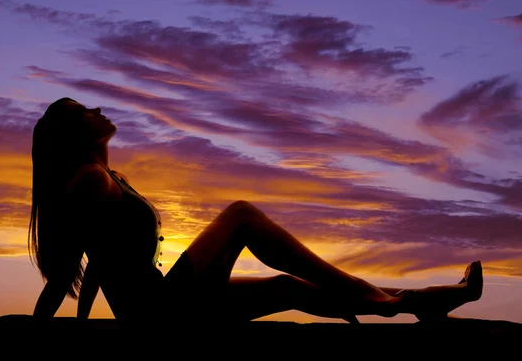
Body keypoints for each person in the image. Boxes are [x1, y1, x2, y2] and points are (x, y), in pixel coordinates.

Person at [28, 97, 484, 325]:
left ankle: (424, 301)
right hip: (162, 310)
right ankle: (370, 294)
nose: (98, 108)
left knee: (287, 287)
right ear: (75, 133)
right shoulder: (88, 180)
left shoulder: (107, 176)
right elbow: (73, 263)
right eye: (85, 110)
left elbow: (98, 259)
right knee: (242, 214)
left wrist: (85, 322)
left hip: (161, 308)